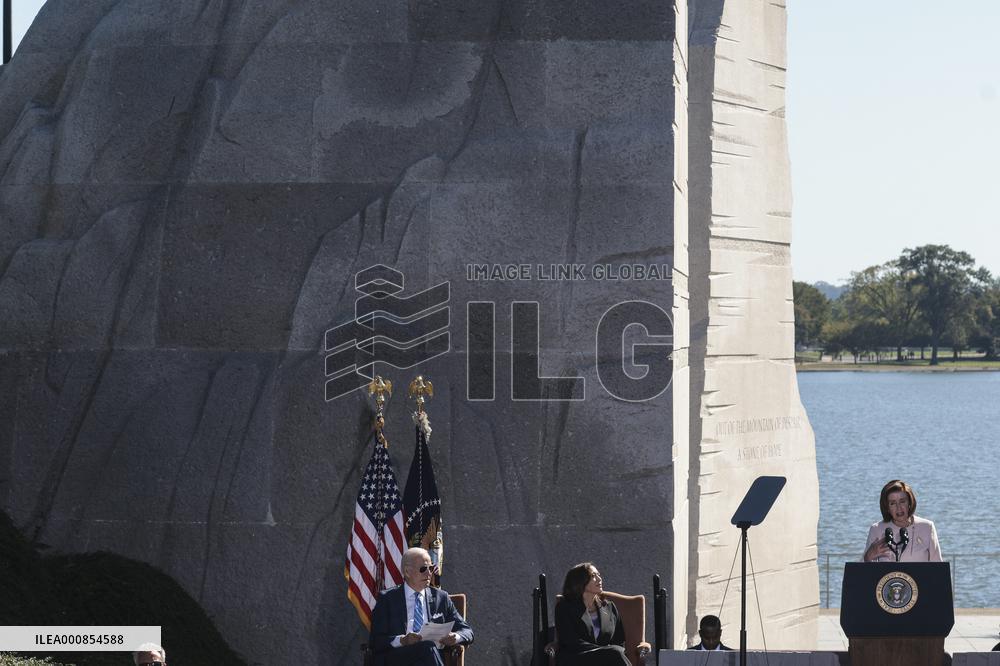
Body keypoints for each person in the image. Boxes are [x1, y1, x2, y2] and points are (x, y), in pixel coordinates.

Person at [369, 547, 473, 666]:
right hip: (398, 657)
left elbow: (467, 631)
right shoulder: (387, 599)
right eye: (423, 569)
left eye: (431, 568)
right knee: (427, 647)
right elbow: (376, 641)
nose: (429, 573)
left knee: (427, 648)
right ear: (407, 572)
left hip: (430, 657)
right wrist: (403, 640)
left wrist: (456, 637)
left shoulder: (441, 598)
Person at [551, 562, 638, 666]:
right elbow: (570, 641)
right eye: (593, 576)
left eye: (599, 575)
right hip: (576, 657)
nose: (599, 579)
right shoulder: (565, 607)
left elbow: (619, 641)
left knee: (616, 652)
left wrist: (606, 653)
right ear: (579, 581)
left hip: (607, 658)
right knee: (615, 653)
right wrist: (606, 652)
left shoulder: (609, 607)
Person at [863, 479, 942, 562]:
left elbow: (939, 568)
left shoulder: (927, 527)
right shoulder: (876, 529)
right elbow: (862, 571)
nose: (899, 508)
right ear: (887, 508)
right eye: (892, 503)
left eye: (902, 501)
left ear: (909, 503)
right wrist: (868, 557)